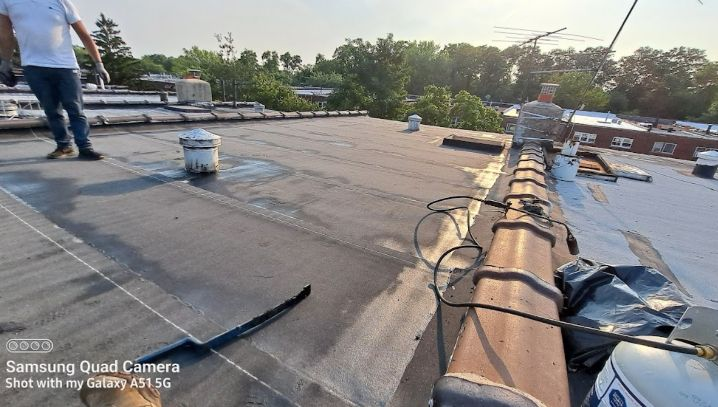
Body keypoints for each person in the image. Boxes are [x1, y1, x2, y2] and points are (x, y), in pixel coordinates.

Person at [0, 0, 110, 160]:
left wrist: (99, 63)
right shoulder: (7, 2)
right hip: (33, 66)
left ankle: (85, 147)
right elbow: (5, 34)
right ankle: (64, 146)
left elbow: (84, 34)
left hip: (65, 66)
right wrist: (5, 62)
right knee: (51, 110)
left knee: (75, 108)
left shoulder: (61, 1)